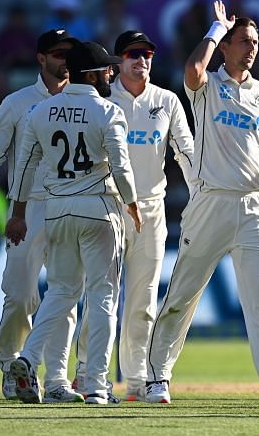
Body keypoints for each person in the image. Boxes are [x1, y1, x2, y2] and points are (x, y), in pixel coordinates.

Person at [144, 0, 259, 406]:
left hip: (253, 205)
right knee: (183, 295)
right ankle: (156, 377)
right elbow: (191, 72)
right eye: (243, 40)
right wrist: (213, 29)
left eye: (256, 41)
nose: (252, 48)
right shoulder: (207, 86)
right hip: (211, 202)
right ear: (224, 46)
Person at [5, 41, 141, 406]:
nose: (112, 73)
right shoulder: (108, 111)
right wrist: (132, 203)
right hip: (99, 210)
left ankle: (29, 359)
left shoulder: (40, 111)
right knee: (103, 297)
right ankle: (95, 385)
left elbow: (24, 168)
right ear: (92, 74)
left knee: (62, 292)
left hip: (57, 210)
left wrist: (18, 213)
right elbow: (120, 165)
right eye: (107, 69)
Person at [72, 30, 194, 402]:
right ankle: (86, 373)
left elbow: (186, 152)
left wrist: (201, 192)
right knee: (101, 296)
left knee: (143, 299)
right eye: (133, 54)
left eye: (147, 54)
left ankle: (139, 379)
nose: (141, 60)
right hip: (109, 206)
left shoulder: (167, 100)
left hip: (152, 208)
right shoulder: (105, 101)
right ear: (119, 61)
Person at [0, 29, 80, 401]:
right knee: (20, 295)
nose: (65, 59)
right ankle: (11, 363)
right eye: (58, 53)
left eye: (69, 53)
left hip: (69, 206)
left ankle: (58, 380)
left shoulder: (83, 100)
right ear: (41, 58)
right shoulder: (17, 103)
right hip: (25, 209)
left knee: (63, 295)